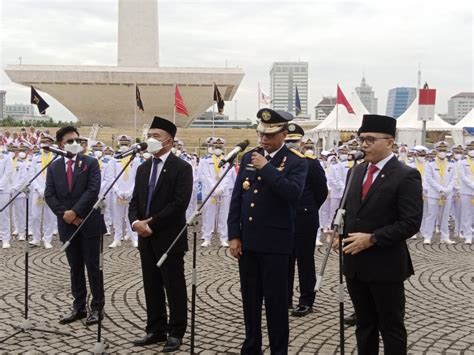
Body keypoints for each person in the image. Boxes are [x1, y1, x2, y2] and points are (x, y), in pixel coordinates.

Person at [334, 114, 423, 354]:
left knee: (391, 327)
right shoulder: (356, 171)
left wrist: (372, 238)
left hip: (386, 266)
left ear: (390, 142)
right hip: (355, 264)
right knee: (364, 326)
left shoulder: (406, 175)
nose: (363, 144)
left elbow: (410, 222)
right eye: (361, 139)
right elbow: (346, 208)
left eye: (370, 139)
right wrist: (337, 231)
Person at [228, 108, 308, 354]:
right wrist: (234, 235)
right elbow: (238, 198)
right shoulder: (249, 156)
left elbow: (292, 193)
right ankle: (251, 346)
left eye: (270, 135)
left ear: (284, 134)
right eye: (261, 133)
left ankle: (278, 349)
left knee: (275, 303)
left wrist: (267, 168)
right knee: (250, 301)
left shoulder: (296, 161)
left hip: (276, 244)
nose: (264, 139)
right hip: (249, 243)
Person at [129, 116, 192, 352]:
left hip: (169, 237)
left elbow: (179, 204)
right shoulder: (143, 167)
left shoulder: (181, 167)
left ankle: (176, 332)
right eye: (150, 135)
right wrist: (136, 222)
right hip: (145, 237)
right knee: (151, 285)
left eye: (156, 136)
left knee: (173, 286)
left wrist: (152, 223)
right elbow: (135, 201)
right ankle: (155, 329)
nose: (151, 140)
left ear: (169, 141)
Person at [44, 126, 105, 326]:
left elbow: (92, 190)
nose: (75, 144)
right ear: (61, 144)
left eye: (77, 140)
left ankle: (97, 307)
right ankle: (78, 307)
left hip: (88, 223)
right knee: (75, 268)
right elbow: (49, 194)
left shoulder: (90, 162)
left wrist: (76, 212)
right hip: (67, 225)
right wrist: (66, 215)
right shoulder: (54, 166)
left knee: (93, 267)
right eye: (70, 141)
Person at [285, 123, 327, 317]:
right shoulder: (280, 162)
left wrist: (309, 208)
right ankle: (283, 298)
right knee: (284, 260)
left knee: (304, 260)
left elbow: (321, 192)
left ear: (301, 142)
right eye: (287, 141)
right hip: (283, 217)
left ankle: (306, 300)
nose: (291, 145)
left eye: (294, 141)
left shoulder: (311, 163)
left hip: (305, 218)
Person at [423, 141, 456, 244]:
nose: (442, 152)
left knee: (445, 216)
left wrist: (447, 190)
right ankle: (427, 236)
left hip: (447, 194)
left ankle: (445, 237)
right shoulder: (430, 163)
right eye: (440, 150)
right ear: (436, 151)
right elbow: (429, 178)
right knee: (431, 215)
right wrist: (440, 189)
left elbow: (454, 178)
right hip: (434, 194)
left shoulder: (451, 163)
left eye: (444, 150)